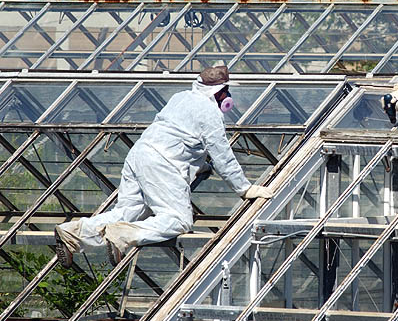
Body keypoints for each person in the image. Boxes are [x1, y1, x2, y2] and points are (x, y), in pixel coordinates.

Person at [54, 66, 273, 268]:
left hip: (139, 155)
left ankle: (73, 232)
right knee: (178, 219)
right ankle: (122, 235)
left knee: (128, 211)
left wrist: (199, 166)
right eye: (226, 91)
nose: (228, 97)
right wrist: (244, 188)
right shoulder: (210, 112)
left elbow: (183, 138)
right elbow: (222, 155)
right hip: (161, 162)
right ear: (218, 92)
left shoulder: (181, 98)